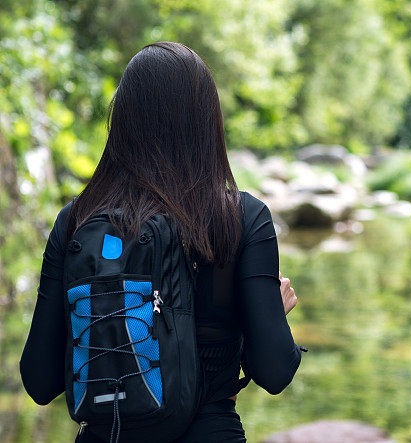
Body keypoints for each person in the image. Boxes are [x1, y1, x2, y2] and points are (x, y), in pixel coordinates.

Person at [19, 41, 302, 442]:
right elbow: (275, 372)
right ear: (207, 121)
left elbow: (39, 381)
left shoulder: (76, 222)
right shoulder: (240, 217)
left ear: (123, 120)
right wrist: (269, 315)